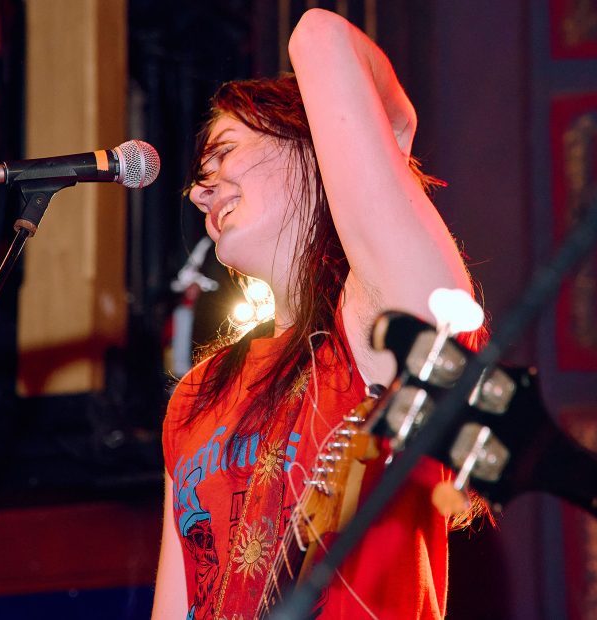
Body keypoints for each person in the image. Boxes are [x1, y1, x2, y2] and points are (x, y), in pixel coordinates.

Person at [153, 8, 479, 619]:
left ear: (312, 149)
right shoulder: (196, 397)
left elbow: (318, 34)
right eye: (200, 176)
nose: (201, 189)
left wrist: (392, 133)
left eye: (224, 152)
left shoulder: (370, 329)